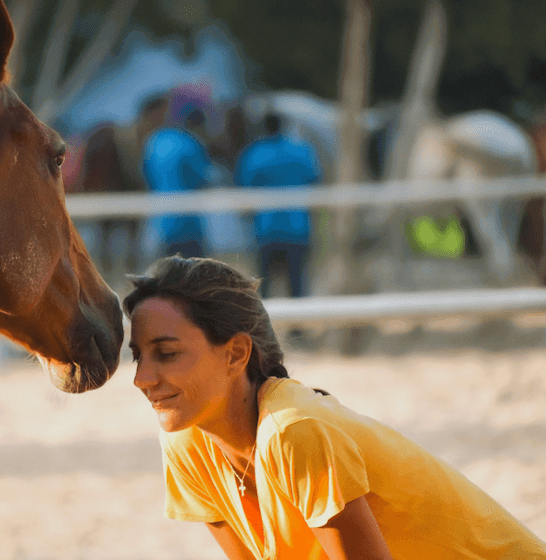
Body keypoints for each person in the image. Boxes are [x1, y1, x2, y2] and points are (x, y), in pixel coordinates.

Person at [124, 255, 546, 560]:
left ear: (236, 354)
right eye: (137, 355)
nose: (142, 379)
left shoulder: (294, 430)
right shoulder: (186, 442)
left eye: (166, 354)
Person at [234, 111, 321, 297]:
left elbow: (244, 187)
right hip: (298, 229)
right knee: (297, 287)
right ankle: (298, 326)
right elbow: (314, 180)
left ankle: (262, 326)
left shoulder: (254, 153)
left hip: (266, 230)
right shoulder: (301, 150)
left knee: (264, 289)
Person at [140, 93, 216, 259]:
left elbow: (146, 175)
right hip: (188, 224)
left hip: (161, 223)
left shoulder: (154, 141)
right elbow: (204, 178)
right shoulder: (190, 143)